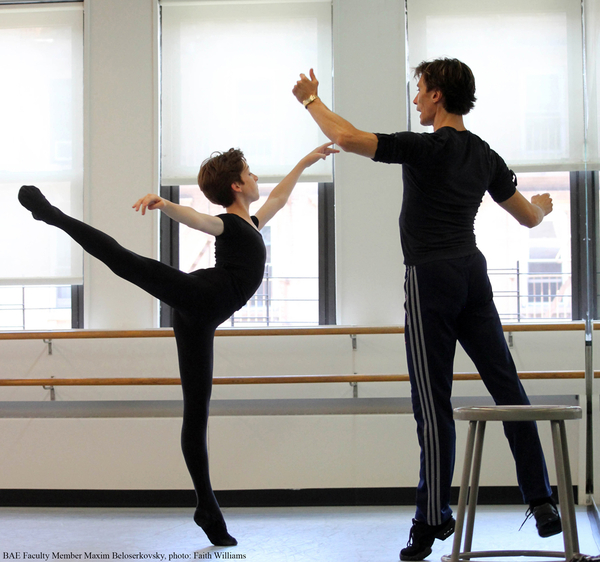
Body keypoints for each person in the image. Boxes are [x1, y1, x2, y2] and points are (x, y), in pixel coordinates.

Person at [293, 59, 560, 561]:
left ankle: (431, 519)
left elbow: (346, 137)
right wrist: (544, 206)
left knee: (433, 406)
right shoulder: (485, 154)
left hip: (430, 280)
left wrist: (310, 99)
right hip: (473, 276)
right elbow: (528, 217)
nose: (415, 99)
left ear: (437, 95)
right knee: (509, 389)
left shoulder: (427, 147)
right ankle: (542, 501)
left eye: (419, 90)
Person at [18, 142, 337, 548]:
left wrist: (305, 162)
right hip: (200, 295)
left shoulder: (252, 223)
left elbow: (279, 197)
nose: (257, 177)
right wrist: (167, 204)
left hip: (200, 316)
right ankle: (51, 215)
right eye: (250, 172)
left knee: (197, 411)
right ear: (237, 186)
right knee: (126, 261)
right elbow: (200, 221)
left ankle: (207, 507)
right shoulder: (228, 223)